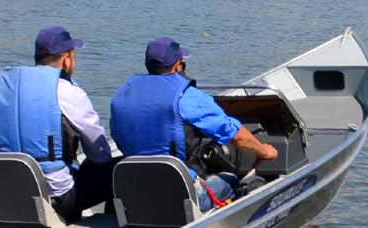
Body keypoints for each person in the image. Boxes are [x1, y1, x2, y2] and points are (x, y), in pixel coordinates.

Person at [110, 36, 278, 211]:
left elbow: (118, 139)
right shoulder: (187, 97)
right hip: (179, 195)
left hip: (135, 190)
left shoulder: (122, 96)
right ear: (177, 65)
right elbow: (235, 136)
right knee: (231, 180)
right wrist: (264, 150)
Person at [0, 26, 115, 223]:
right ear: (67, 59)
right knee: (120, 171)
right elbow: (100, 155)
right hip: (59, 199)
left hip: (13, 192)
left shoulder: (6, 91)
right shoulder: (69, 93)